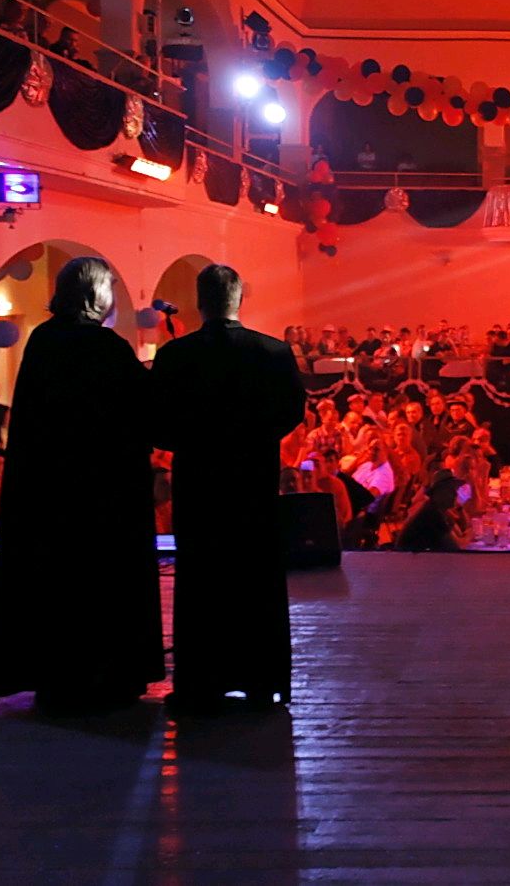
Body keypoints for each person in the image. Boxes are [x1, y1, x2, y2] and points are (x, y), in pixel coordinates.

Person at [0, 257, 162, 712]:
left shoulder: (43, 342)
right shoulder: (106, 347)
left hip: (49, 493)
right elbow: (144, 412)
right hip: (105, 495)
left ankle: (56, 676)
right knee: (102, 587)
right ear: (94, 294)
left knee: (55, 587)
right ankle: (108, 674)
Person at [151, 264, 307, 713]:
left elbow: (156, 421)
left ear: (200, 303)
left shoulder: (176, 356)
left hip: (199, 484)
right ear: (239, 301)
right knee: (256, 577)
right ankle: (261, 680)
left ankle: (201, 682)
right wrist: (257, 439)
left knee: (202, 581)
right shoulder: (273, 352)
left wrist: (192, 443)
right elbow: (292, 411)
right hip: (253, 483)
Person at [397, 470, 470, 551]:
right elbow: (458, 547)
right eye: (451, 490)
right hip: (406, 558)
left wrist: (460, 508)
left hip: (415, 557)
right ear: (439, 492)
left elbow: (461, 531)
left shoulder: (439, 509)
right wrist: (472, 533)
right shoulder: (432, 514)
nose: (456, 494)